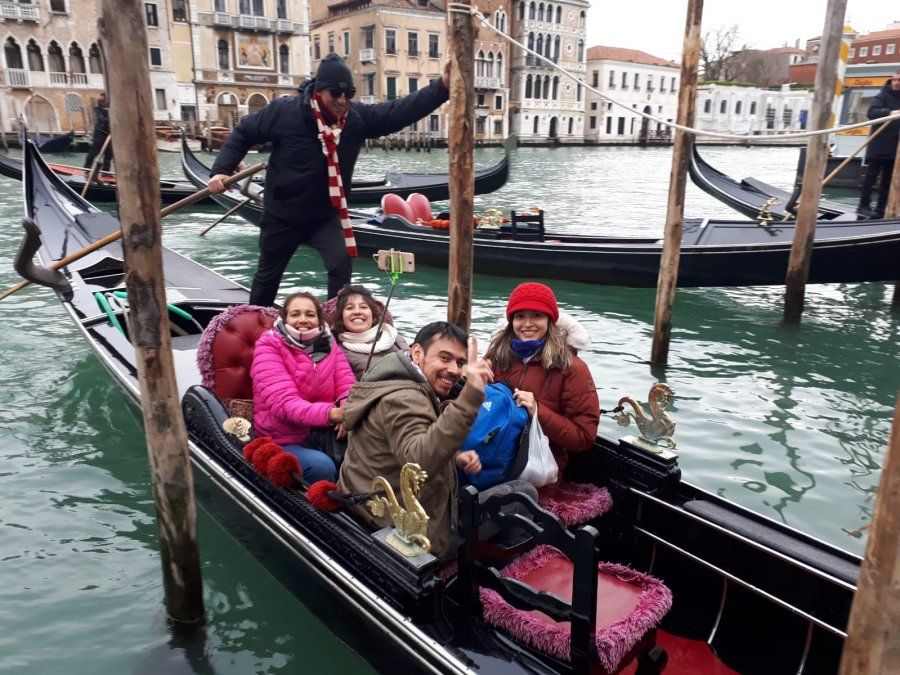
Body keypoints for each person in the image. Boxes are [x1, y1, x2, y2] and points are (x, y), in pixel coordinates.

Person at [208, 53, 451, 305]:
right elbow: (244, 131)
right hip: (282, 214)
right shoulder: (285, 111)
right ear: (319, 90)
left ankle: (333, 329)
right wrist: (220, 170)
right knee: (267, 277)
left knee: (340, 265)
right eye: (336, 93)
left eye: (349, 94)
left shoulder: (356, 119)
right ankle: (256, 326)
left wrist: (442, 87)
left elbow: (400, 111)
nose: (342, 100)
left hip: (324, 216)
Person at [338, 322, 537, 558]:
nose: (454, 370)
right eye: (445, 358)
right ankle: (499, 570)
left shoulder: (393, 382)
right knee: (524, 493)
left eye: (460, 363)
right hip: (413, 536)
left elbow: (408, 443)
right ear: (417, 352)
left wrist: (455, 457)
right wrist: (472, 393)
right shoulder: (405, 399)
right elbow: (418, 463)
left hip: (376, 506)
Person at [487, 283, 599, 479]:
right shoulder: (496, 355)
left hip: (537, 473)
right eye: (520, 316)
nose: (527, 323)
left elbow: (584, 437)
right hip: (488, 457)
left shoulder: (572, 368)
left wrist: (537, 411)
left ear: (550, 320)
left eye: (537, 315)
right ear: (511, 320)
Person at [251, 291, 356, 482]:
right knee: (321, 465)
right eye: (295, 314)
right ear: (284, 319)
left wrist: (347, 408)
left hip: (325, 434)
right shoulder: (268, 346)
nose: (303, 319)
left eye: (310, 314)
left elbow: (346, 384)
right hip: (284, 438)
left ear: (318, 319)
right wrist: (333, 414)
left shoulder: (329, 345)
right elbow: (284, 403)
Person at [329, 284, 408, 379]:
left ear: (373, 315)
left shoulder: (393, 336)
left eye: (363, 307)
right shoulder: (336, 351)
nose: (357, 312)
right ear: (341, 318)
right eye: (350, 308)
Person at [858, 70, 900, 218]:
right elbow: (871, 112)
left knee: (887, 180)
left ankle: (881, 209)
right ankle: (863, 206)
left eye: (899, 80)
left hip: (895, 148)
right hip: (879, 145)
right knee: (871, 177)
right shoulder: (883, 95)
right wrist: (890, 113)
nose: (896, 82)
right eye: (894, 80)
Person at [82, 92, 113, 175]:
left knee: (109, 156)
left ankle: (105, 173)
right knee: (93, 153)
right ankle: (86, 170)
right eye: (103, 99)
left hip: (109, 135)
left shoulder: (110, 109)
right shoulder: (98, 110)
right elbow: (101, 120)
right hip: (99, 135)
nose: (104, 101)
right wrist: (111, 117)